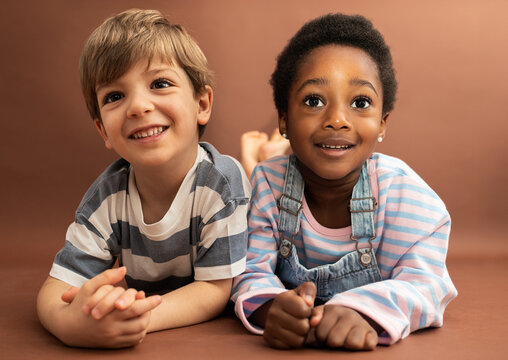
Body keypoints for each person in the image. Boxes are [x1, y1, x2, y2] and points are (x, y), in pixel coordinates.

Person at [231, 13, 457, 351]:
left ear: (382, 124)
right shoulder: (268, 182)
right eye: (313, 101)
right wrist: (273, 307)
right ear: (284, 120)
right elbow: (248, 270)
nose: (337, 120)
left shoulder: (408, 198)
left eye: (360, 103)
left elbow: (427, 287)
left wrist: (363, 311)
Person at [36, 9, 250, 349]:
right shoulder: (107, 198)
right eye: (115, 96)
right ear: (103, 130)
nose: (138, 106)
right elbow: (55, 288)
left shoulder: (220, 183)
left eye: (160, 84)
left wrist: (137, 317)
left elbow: (215, 289)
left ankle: (264, 153)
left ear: (202, 104)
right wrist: (69, 323)